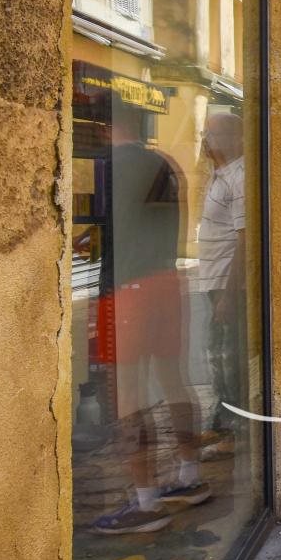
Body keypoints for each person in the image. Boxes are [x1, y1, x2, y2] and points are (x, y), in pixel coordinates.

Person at [94, 103, 208, 535]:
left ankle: (143, 500)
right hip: (166, 279)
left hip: (129, 285)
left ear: (109, 126)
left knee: (129, 393)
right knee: (174, 379)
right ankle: (189, 472)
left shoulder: (109, 165)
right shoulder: (164, 162)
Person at [195, 112, 248, 453]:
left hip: (228, 285)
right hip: (214, 281)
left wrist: (228, 296)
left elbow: (244, 240)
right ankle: (222, 423)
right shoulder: (220, 174)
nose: (204, 139)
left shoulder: (239, 177)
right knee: (219, 354)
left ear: (231, 138)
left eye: (211, 133)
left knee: (226, 357)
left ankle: (232, 432)